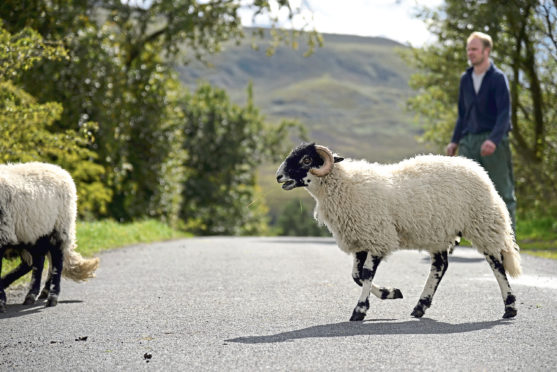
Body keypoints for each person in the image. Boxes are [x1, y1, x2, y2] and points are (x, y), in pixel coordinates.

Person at [445, 31, 516, 231]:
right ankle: (456, 239)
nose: (470, 53)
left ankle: (508, 240)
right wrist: (454, 141)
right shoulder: (465, 79)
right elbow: (462, 114)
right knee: (463, 192)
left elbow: (505, 114)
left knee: (503, 192)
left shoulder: (498, 78)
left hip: (494, 141)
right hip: (469, 141)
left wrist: (493, 140)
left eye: (474, 49)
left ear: (487, 50)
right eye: (468, 49)